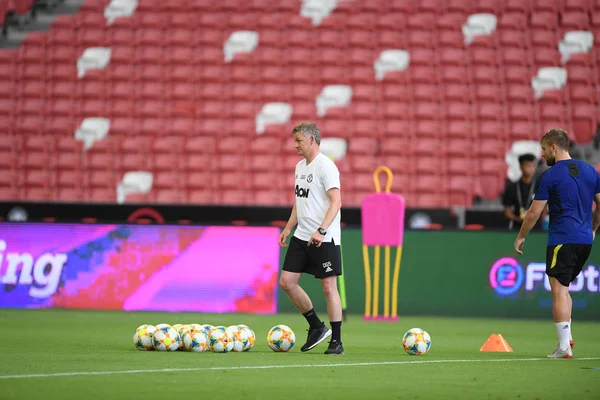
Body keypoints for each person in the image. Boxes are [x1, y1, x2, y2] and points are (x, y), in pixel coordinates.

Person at [513, 128, 600, 359]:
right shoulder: (591, 171)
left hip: (562, 239)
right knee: (565, 289)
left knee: (558, 291)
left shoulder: (550, 176)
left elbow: (533, 213)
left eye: (543, 149)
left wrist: (521, 236)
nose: (542, 154)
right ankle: (567, 340)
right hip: (584, 240)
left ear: (554, 147)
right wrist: (592, 229)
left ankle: (563, 347)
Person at [278, 121, 344, 355]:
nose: (295, 145)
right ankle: (316, 326)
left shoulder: (326, 166)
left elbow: (336, 201)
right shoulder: (300, 167)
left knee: (328, 287)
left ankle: (336, 342)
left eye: (298, 141)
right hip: (302, 234)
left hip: (324, 237)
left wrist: (322, 230)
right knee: (287, 282)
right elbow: (300, 201)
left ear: (312, 140)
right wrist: (288, 228)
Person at [502, 154, 539, 230]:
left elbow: (544, 209)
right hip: (517, 227)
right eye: (528, 165)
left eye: (533, 165)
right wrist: (519, 219)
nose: (531, 168)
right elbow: (507, 211)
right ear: (521, 167)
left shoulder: (540, 187)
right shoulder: (511, 187)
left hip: (537, 228)